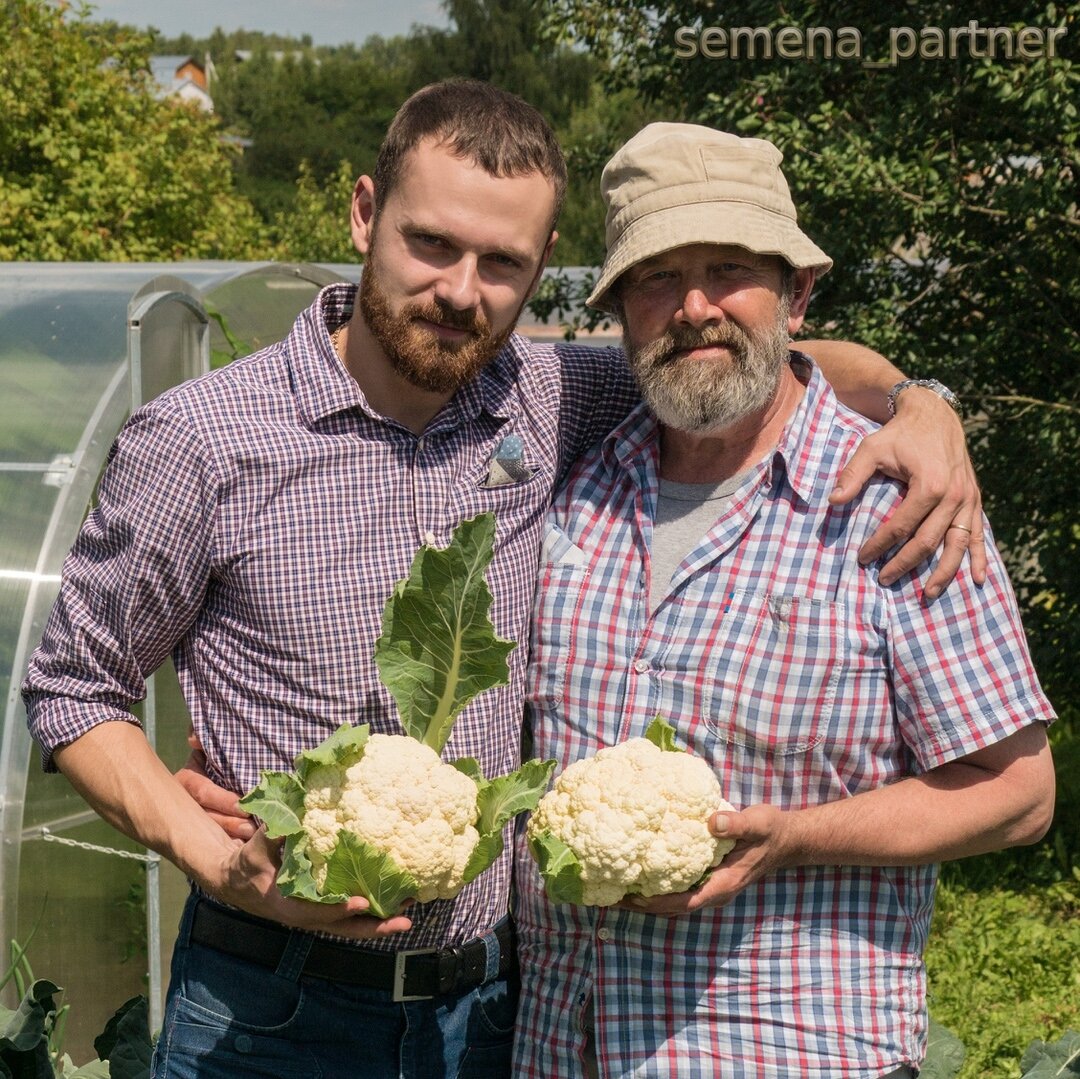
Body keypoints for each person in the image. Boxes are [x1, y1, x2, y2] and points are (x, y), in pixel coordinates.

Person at [23, 82, 980, 1079]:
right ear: (363, 212)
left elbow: (748, 352)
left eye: (503, 263)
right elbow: (75, 689)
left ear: (541, 263)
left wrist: (920, 406)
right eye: (431, 243)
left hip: (493, 1017)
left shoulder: (548, 391)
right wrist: (209, 851)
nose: (460, 291)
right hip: (272, 1010)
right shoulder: (203, 440)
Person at [511, 122, 1057, 1079]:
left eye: (728, 268)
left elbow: (1020, 793)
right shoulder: (578, 489)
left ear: (796, 294)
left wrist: (794, 839)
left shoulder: (900, 508)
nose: (693, 307)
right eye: (655, 277)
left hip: (795, 1049)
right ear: (621, 310)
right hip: (566, 1047)